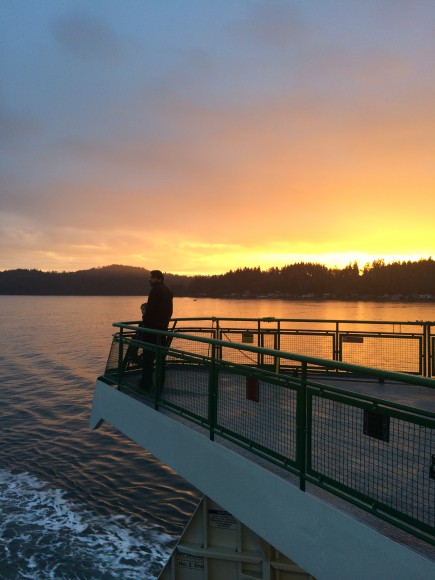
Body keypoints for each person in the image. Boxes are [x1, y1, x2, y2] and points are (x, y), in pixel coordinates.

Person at [139, 270, 173, 390]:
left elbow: (151, 309)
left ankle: (146, 383)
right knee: (160, 359)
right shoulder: (168, 291)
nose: (149, 279)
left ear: (158, 278)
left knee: (148, 358)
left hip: (152, 330)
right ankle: (160, 383)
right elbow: (169, 311)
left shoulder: (156, 290)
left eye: (151, 278)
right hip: (162, 329)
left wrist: (145, 319)